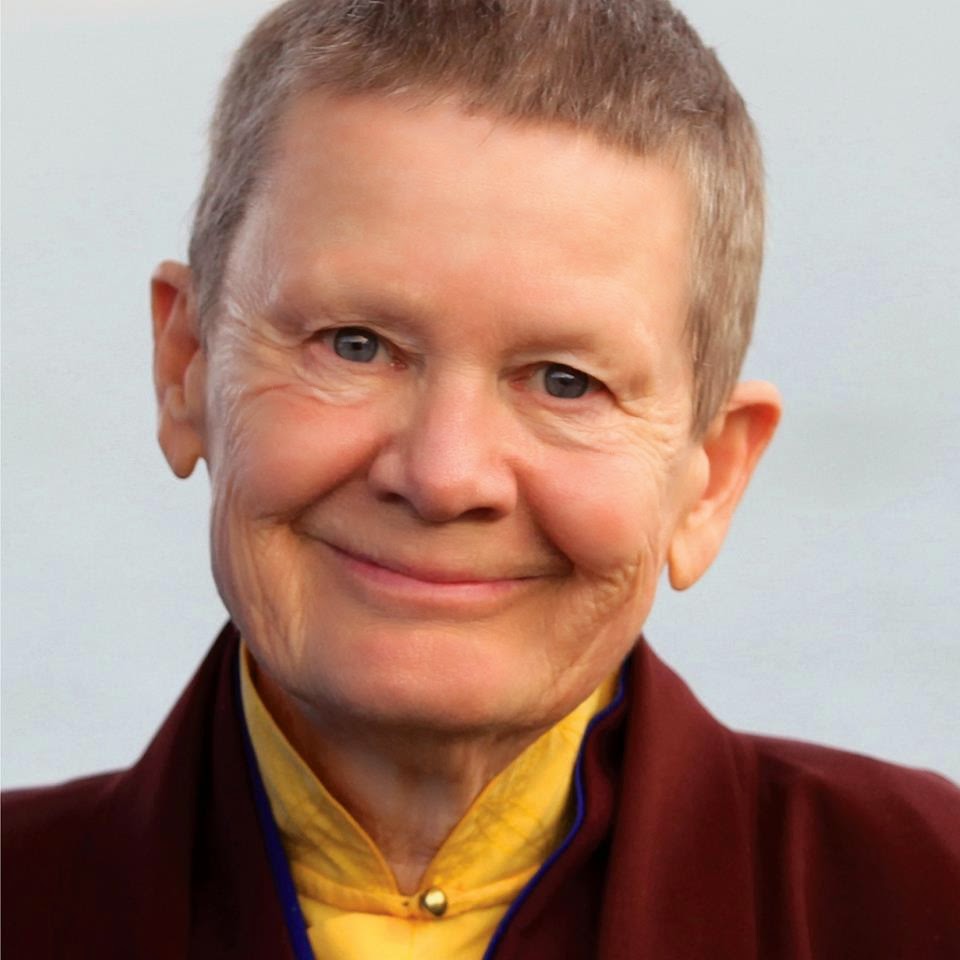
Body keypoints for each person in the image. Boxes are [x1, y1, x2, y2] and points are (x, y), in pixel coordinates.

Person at [3, 1, 958, 957]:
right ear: (185, 368)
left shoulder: (920, 900)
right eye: (354, 344)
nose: (443, 475)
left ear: (709, 483)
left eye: (565, 382)